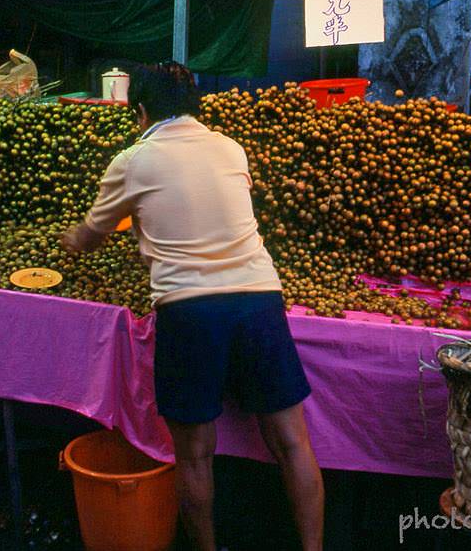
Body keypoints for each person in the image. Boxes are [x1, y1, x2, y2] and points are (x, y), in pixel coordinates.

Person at [62, 63, 324, 551]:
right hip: (258, 299)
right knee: (292, 442)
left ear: (138, 111)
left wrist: (67, 242)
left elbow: (92, 234)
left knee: (196, 456)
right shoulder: (231, 147)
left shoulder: (132, 160)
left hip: (189, 309)